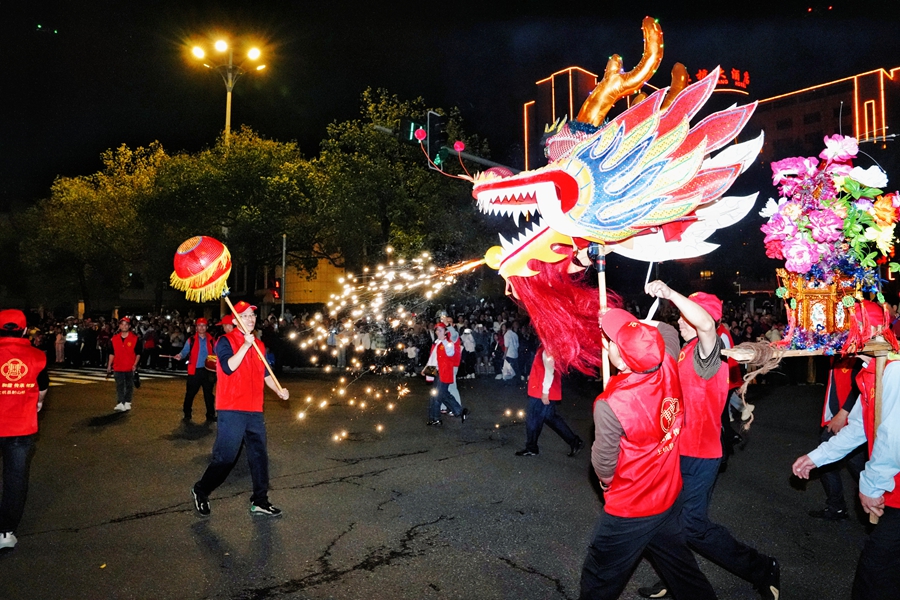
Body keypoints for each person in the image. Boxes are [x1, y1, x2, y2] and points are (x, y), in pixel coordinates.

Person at [639, 283, 780, 600]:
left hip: (700, 455)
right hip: (677, 452)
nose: (678, 321)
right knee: (662, 520)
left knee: (693, 526)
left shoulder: (709, 351)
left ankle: (762, 568)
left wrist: (670, 293)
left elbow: (705, 325)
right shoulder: (686, 349)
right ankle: (678, 577)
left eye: (683, 317)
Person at [580, 308, 716, 600]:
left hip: (632, 507)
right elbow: (665, 329)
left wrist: (605, 483)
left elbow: (604, 462)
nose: (609, 343)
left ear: (622, 359)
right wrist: (631, 324)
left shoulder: (611, 402)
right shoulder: (667, 360)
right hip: (668, 494)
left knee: (599, 577)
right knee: (680, 569)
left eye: (614, 342)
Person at [792, 300, 900, 600]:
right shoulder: (869, 369)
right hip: (894, 486)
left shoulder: (894, 370)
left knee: (876, 572)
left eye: (848, 329)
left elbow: (893, 436)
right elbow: (860, 427)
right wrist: (817, 457)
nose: (841, 337)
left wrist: (870, 485)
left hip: (897, 486)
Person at [191, 301, 289, 518]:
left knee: (259, 456)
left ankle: (260, 501)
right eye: (244, 316)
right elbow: (228, 367)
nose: (250, 319)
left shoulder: (260, 345)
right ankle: (201, 489)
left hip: (254, 409)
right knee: (226, 458)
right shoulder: (225, 342)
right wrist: (245, 345)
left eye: (252, 316)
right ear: (235, 321)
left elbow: (265, 375)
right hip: (232, 408)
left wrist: (279, 390)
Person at [0, 309, 49, 551]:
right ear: (24, 329)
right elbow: (41, 392)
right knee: (14, 479)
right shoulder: (37, 356)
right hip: (20, 427)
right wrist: (35, 403)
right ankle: (5, 531)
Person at [808, 355, 866, 520]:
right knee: (828, 462)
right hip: (834, 418)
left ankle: (884, 506)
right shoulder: (838, 353)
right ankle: (837, 506)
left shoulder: (859, 354)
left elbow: (861, 386)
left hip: (851, 421)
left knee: (857, 467)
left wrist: (843, 413)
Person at [515, 344, 584, 457]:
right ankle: (575, 442)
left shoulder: (548, 348)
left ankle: (531, 447)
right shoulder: (550, 346)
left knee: (532, 420)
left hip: (541, 390)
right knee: (551, 418)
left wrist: (545, 392)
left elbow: (549, 369)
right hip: (545, 389)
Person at [425, 324, 469, 427]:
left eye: (440, 330)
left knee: (437, 396)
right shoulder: (436, 343)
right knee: (442, 395)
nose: (438, 332)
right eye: (437, 330)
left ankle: (436, 419)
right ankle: (459, 411)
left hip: (444, 373)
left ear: (445, 332)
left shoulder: (448, 343)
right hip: (437, 373)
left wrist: (445, 338)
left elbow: (450, 353)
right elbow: (433, 360)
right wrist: (427, 371)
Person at [175, 318, 217, 423]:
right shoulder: (191, 340)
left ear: (207, 327)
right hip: (195, 371)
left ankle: (210, 414)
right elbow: (184, 351)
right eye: (199, 325)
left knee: (209, 394)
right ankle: (187, 412)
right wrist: (180, 356)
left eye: (204, 325)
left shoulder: (211, 340)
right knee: (190, 393)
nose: (201, 327)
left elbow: (216, 353)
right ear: (196, 327)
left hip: (208, 371)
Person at [107, 317, 141, 412]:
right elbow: (111, 353)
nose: (124, 326)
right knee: (119, 385)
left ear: (129, 326)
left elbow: (138, 353)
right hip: (118, 366)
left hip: (130, 366)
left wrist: (135, 364)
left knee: (129, 385)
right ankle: (120, 402)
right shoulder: (114, 339)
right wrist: (109, 365)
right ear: (119, 326)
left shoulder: (135, 339)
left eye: (126, 324)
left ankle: (127, 402)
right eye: (122, 324)